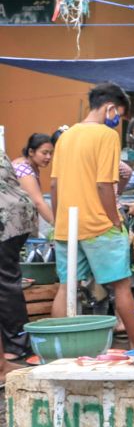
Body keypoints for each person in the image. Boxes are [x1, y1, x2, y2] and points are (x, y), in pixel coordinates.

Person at [49, 83, 134, 348]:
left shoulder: (65, 136)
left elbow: (54, 185)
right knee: (121, 286)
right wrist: (115, 219)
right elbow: (104, 185)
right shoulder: (106, 136)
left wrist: (60, 221)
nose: (117, 122)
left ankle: (59, 347)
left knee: (66, 287)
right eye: (119, 115)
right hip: (100, 225)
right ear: (110, 108)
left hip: (67, 225)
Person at [0, 152, 38, 362]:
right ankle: (17, 341)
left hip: (5, 220)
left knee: (5, 283)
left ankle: (17, 344)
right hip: (19, 214)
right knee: (8, 279)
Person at [12, 133, 54, 227]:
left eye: (51, 153)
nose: (49, 157)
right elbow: (38, 202)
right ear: (31, 152)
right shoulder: (23, 169)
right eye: (44, 153)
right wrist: (59, 227)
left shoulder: (29, 166)